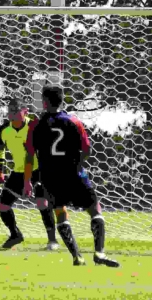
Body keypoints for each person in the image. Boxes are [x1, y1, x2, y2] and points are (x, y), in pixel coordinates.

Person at [23, 85, 120, 267]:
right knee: (95, 209)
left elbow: (29, 154)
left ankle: (77, 256)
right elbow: (87, 150)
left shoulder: (36, 125)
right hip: (75, 174)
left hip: (50, 178)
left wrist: (28, 181)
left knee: (61, 213)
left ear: (44, 102)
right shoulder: (75, 122)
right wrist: (77, 163)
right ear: (61, 100)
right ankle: (99, 252)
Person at [0, 97, 58, 250]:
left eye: (16, 111)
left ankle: (52, 240)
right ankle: (15, 234)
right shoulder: (4, 129)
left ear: (25, 112)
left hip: (39, 170)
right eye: (10, 111)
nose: (12, 114)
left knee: (42, 202)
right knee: (3, 206)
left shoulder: (35, 127)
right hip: (19, 171)